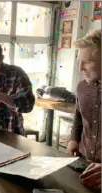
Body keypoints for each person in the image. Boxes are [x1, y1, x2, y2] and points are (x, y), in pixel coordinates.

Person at [67, 30, 101, 190]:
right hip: (83, 164)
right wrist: (74, 139)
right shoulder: (81, 87)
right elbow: (78, 116)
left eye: (87, 62)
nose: (80, 68)